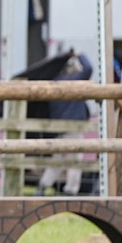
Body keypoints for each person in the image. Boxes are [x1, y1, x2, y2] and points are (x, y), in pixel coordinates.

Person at [36, 51, 93, 196]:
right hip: (74, 126)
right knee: (75, 159)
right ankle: (71, 189)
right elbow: (88, 68)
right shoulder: (75, 81)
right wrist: (80, 55)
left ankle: (43, 186)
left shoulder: (54, 82)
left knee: (58, 159)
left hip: (58, 128)